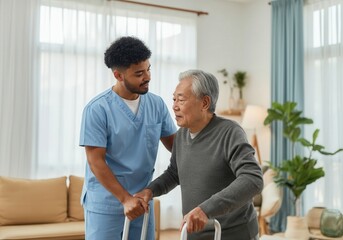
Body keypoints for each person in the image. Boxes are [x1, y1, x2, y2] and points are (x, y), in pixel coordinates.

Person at [135, 69, 263, 240]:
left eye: (181, 99)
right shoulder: (181, 135)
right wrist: (150, 190)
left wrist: (206, 209)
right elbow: (175, 173)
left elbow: (253, 179)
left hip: (232, 235)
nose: (174, 105)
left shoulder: (230, 132)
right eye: (174, 99)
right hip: (194, 234)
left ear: (204, 103)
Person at [79, 36, 176, 240]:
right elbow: (95, 161)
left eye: (149, 69)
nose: (147, 76)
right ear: (118, 75)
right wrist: (124, 199)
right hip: (107, 202)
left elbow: (177, 146)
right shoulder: (97, 109)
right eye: (139, 73)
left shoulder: (156, 105)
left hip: (142, 201)